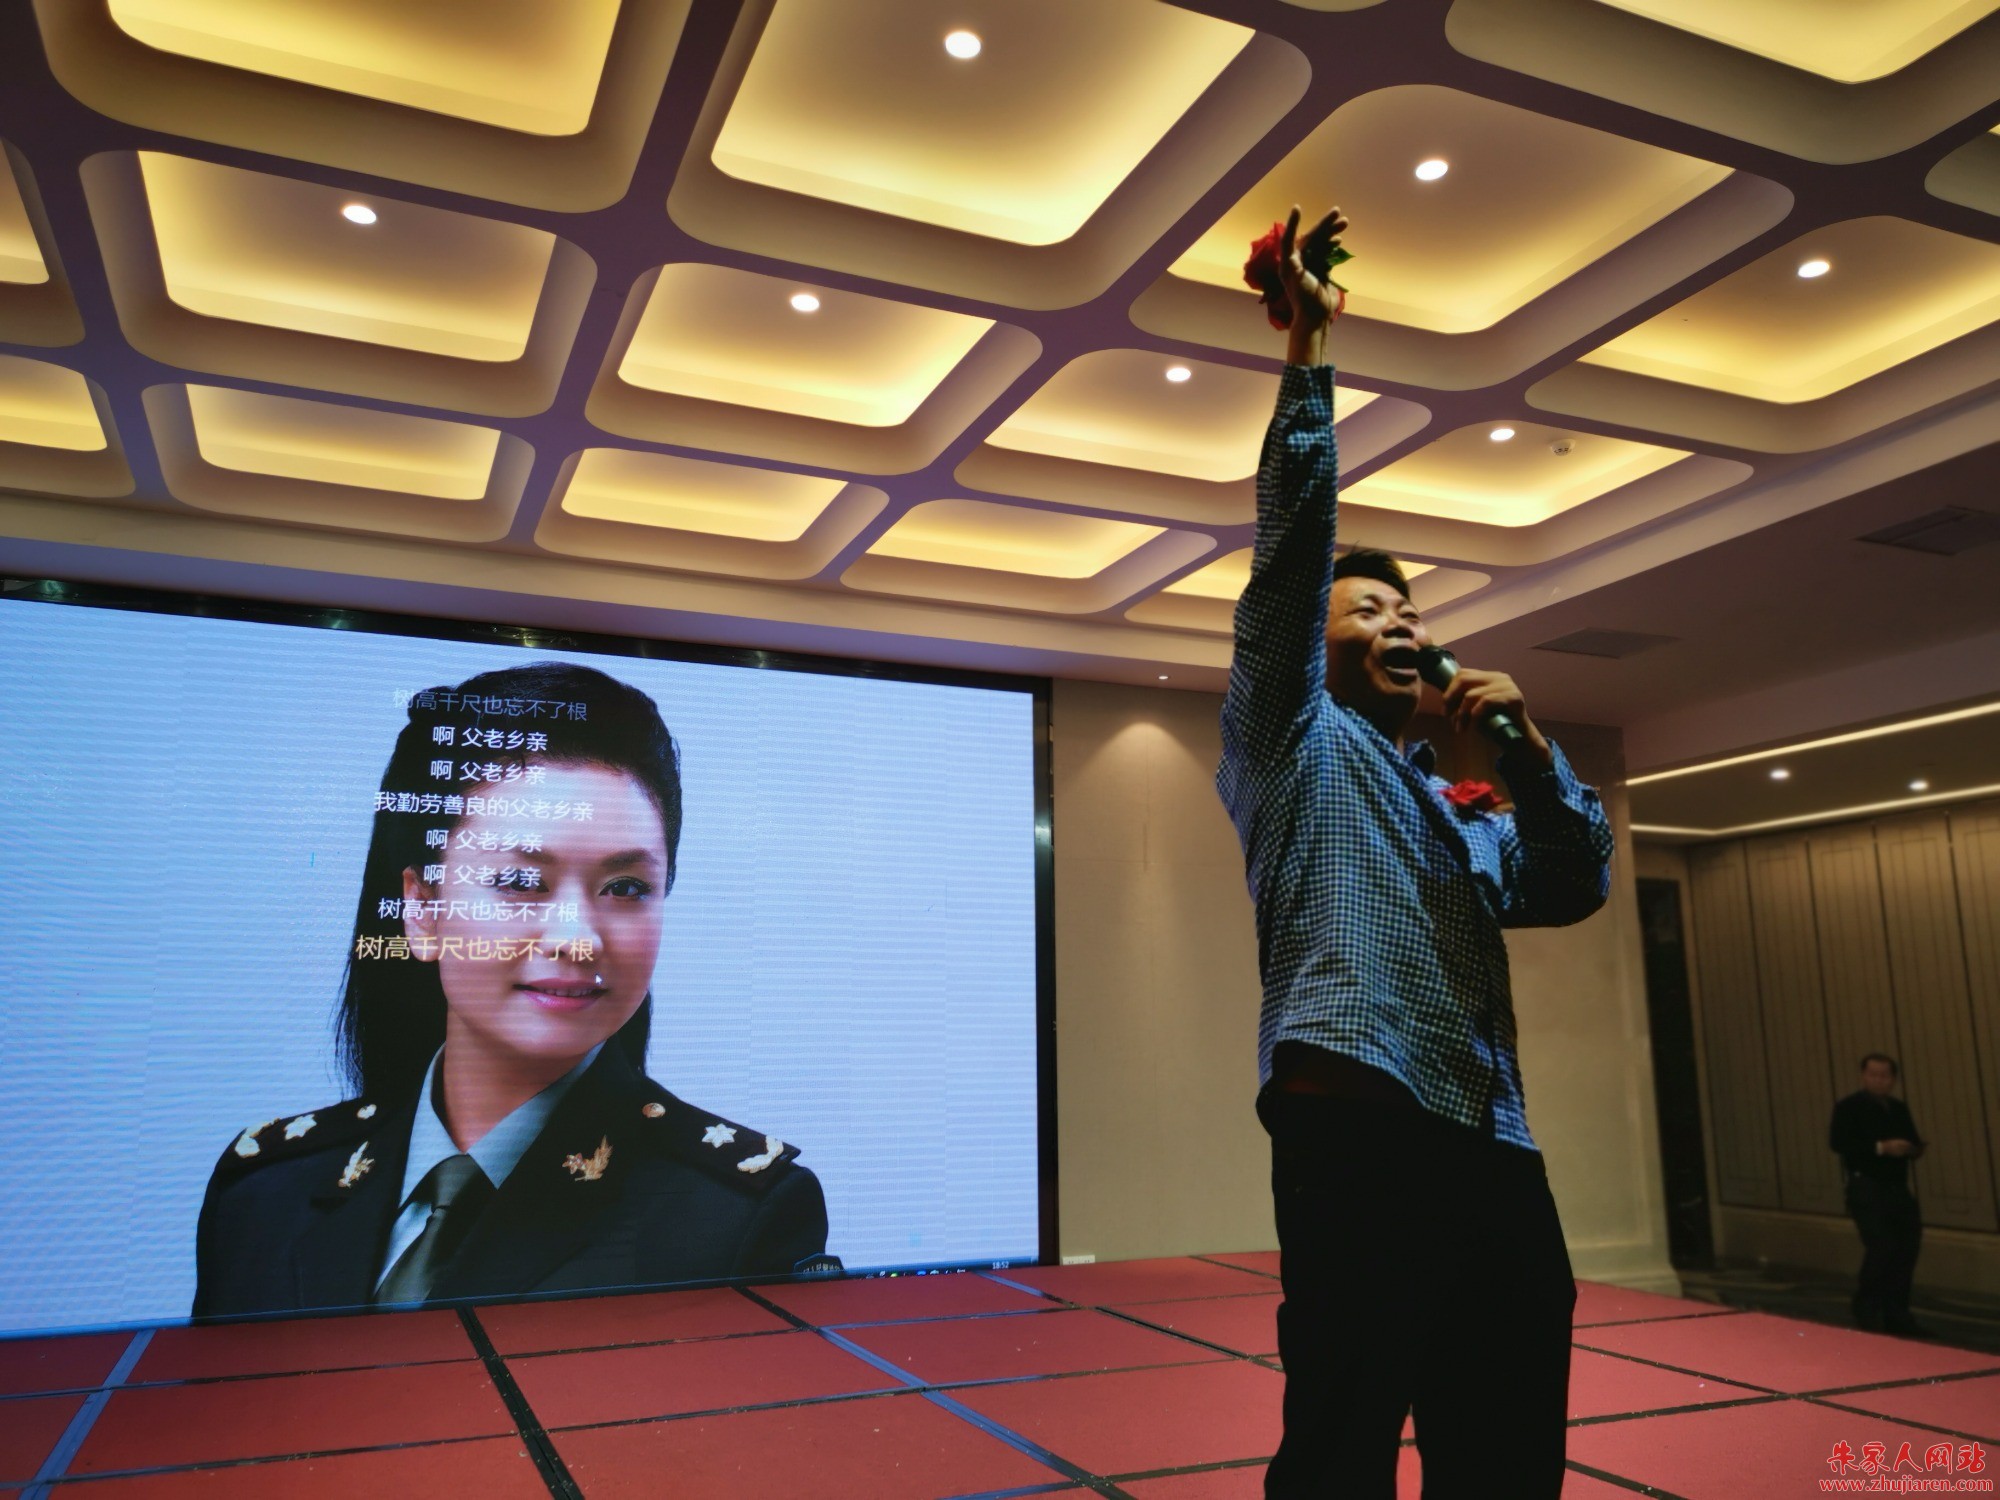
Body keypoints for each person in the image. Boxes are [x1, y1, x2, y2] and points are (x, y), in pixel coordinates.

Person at [1217, 207, 1615, 1499]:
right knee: (1340, 1450)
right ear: (1316, 640)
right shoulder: (1291, 739)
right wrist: (1309, 356)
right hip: (1360, 1127)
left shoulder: (1458, 807)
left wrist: (1530, 756)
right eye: (1370, 607)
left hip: (1493, 1143)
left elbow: (1572, 882)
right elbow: (1289, 557)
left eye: (1412, 610)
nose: (1401, 622)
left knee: (1505, 1453)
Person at [194, 661, 833, 1318]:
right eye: (521, 882)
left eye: (626, 888)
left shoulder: (735, 1218)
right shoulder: (266, 1190)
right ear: (422, 909)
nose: (577, 937)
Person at [1829, 1053, 1926, 1336]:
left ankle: (1898, 1313)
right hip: (1866, 1185)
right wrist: (1882, 1148)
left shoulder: (1898, 1108)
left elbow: (1913, 1139)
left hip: (1897, 1185)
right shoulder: (1849, 1107)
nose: (1879, 1080)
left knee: (1907, 1245)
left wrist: (1911, 1149)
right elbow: (1839, 1143)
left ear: (1893, 1079)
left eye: (1884, 1076)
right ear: (1863, 1076)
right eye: (1873, 1075)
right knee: (1882, 1245)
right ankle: (1867, 1306)